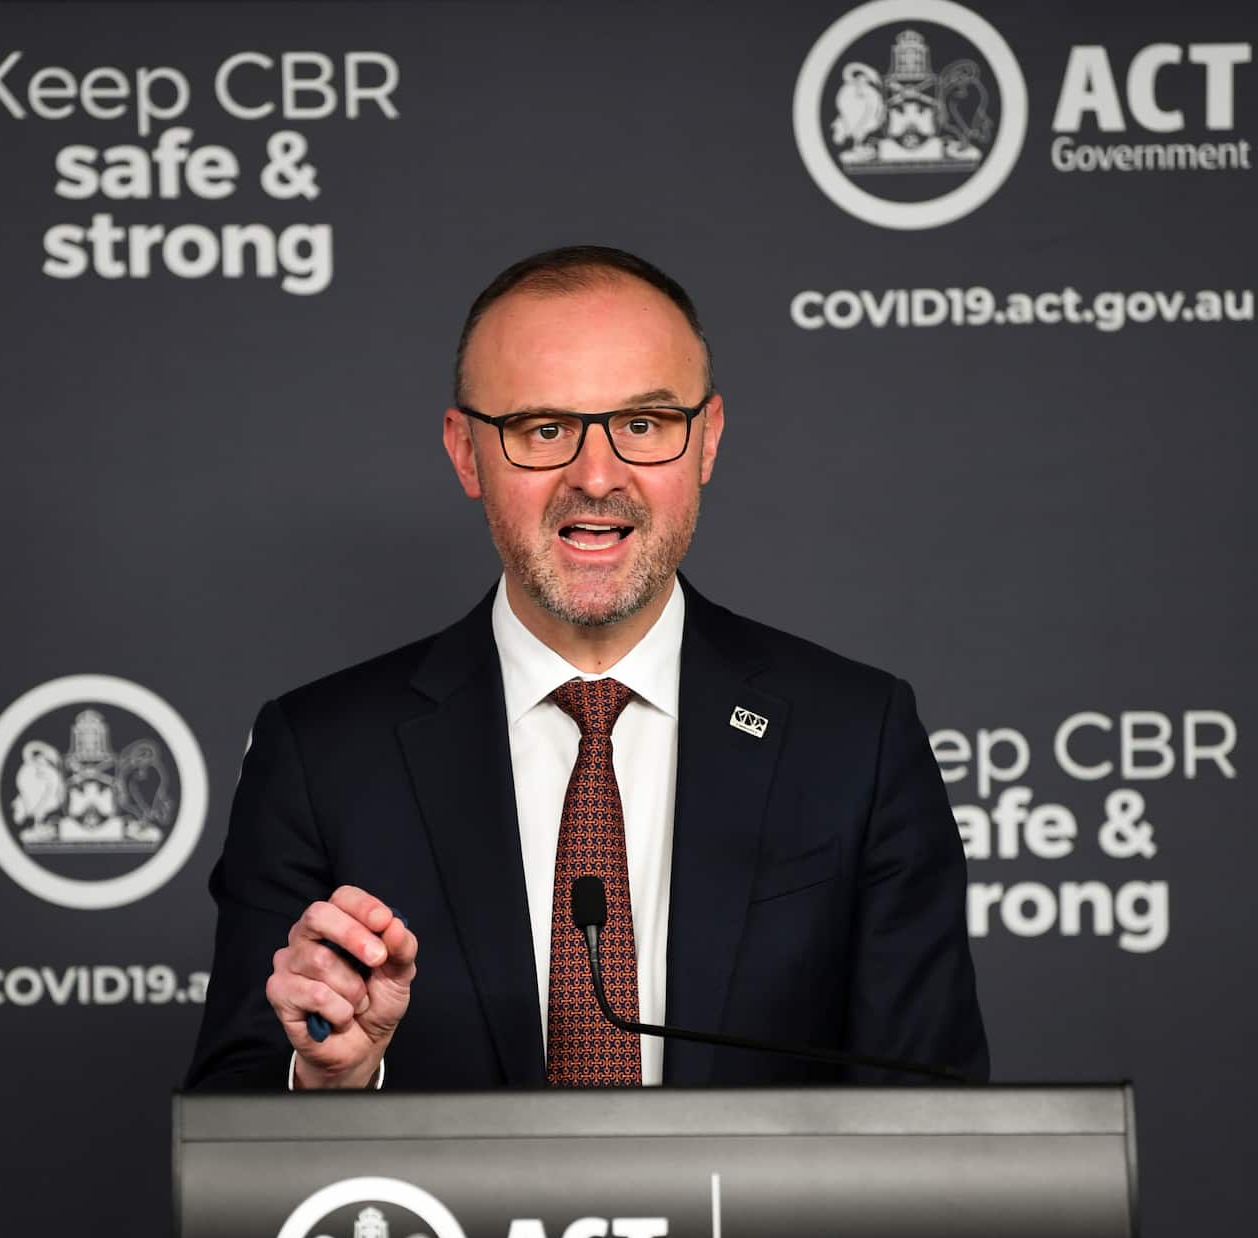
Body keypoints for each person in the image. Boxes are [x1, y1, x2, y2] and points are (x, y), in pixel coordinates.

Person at [186, 244, 987, 1093]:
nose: (596, 477)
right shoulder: (320, 755)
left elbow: (932, 1114)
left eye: (643, 425)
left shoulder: (856, 739)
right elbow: (231, 1114)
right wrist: (331, 1077)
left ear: (706, 441)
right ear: (466, 453)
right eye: (544, 430)